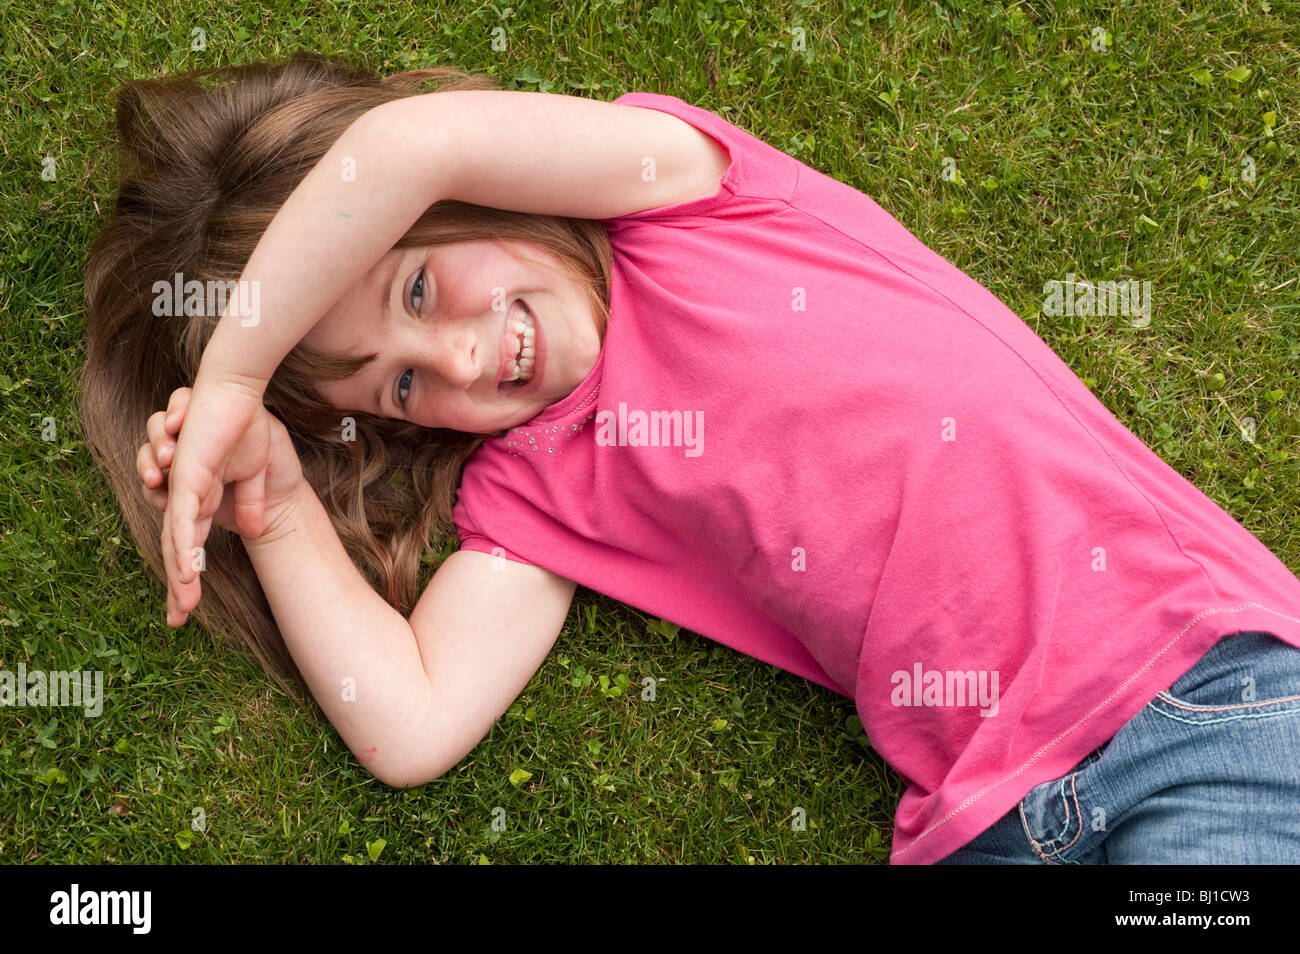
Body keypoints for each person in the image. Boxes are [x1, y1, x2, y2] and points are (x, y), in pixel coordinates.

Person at [82, 54, 1300, 864]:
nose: (460, 357)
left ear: (476, 205)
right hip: (981, 820)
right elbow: (409, 722)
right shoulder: (537, 492)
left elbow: (413, 144)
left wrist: (236, 370)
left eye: (419, 284)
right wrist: (278, 500)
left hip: (1193, 705)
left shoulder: (679, 196)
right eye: (401, 384)